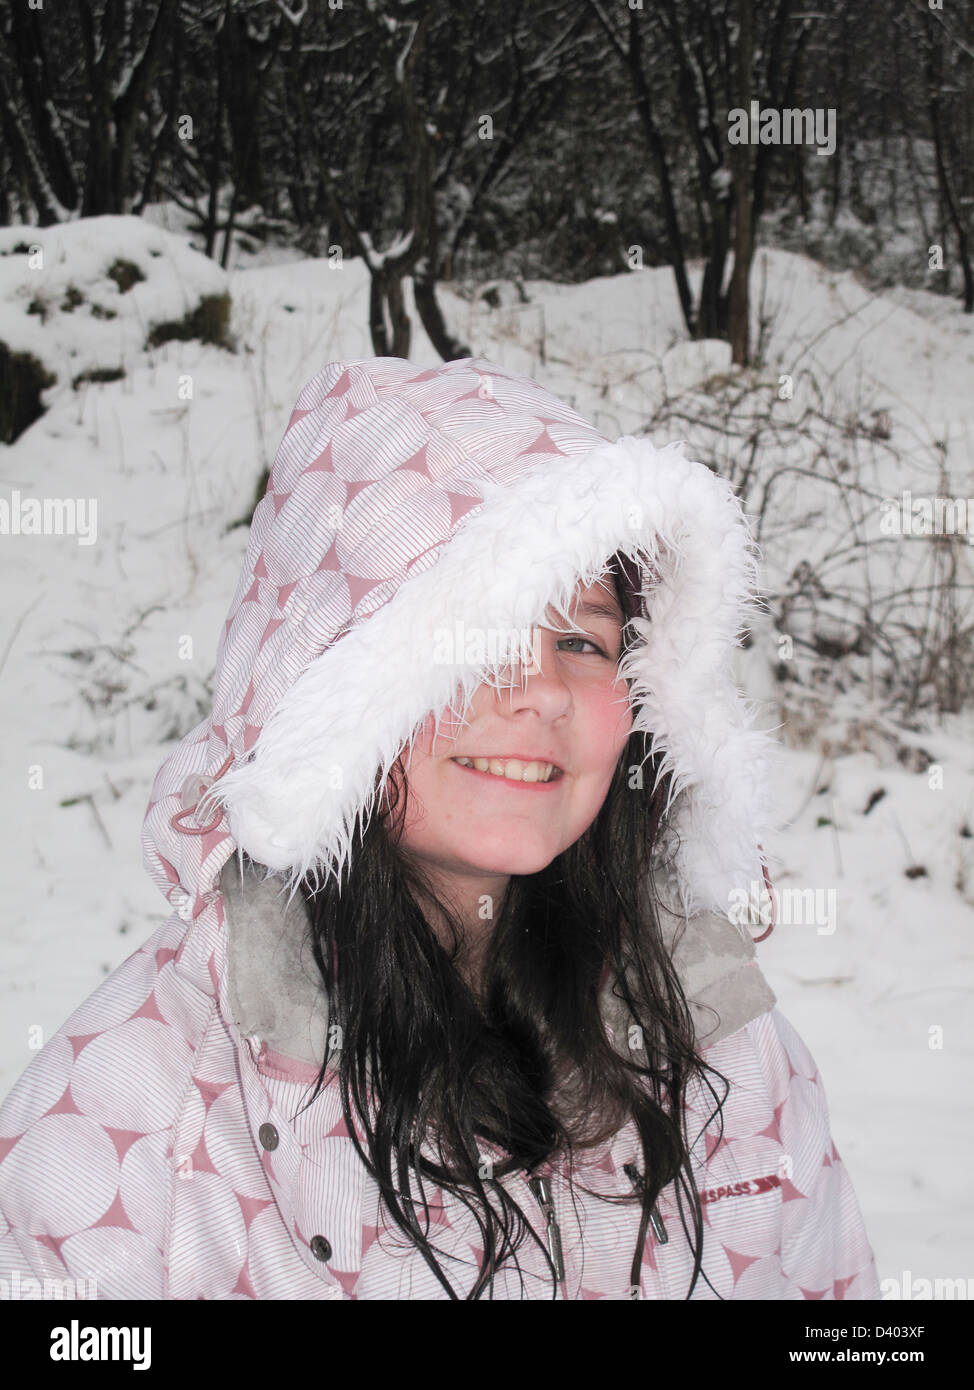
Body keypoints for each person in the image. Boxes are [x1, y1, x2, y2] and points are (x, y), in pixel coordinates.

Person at [0, 355, 880, 1300]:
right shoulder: (133, 1108)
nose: (541, 690)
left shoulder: (720, 1039)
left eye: (583, 641)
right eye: (476, 634)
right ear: (334, 684)